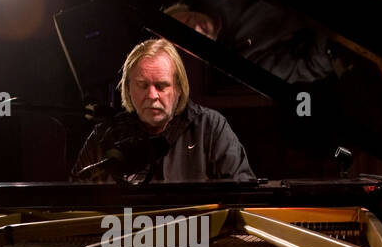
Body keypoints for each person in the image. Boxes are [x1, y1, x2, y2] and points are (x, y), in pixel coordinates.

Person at [72, 38, 256, 183]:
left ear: (178, 88)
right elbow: (72, 202)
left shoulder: (210, 127)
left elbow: (242, 193)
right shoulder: (104, 135)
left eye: (161, 86)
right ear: (128, 88)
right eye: (142, 85)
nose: (152, 95)